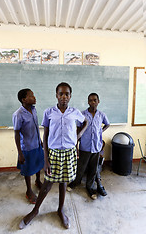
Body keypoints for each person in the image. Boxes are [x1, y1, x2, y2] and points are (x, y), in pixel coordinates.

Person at [18, 82, 88, 230]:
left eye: (67, 94)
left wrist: (78, 135)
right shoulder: (49, 112)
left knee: (63, 182)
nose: (64, 97)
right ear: (56, 95)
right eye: (61, 94)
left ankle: (60, 210)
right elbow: (46, 135)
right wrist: (46, 159)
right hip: (54, 152)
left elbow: (85, 122)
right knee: (48, 183)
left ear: (70, 96)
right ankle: (35, 211)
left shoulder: (74, 112)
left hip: (69, 152)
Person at [67, 93, 110, 199]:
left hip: (96, 147)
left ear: (98, 101)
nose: (93, 102)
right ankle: (75, 182)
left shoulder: (101, 115)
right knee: (81, 167)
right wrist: (76, 146)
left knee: (93, 169)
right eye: (90, 100)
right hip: (85, 146)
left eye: (95, 100)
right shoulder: (82, 114)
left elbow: (107, 124)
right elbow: (77, 130)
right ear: (88, 102)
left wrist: (101, 131)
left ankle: (89, 187)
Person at [12, 88, 44, 204]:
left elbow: (35, 127)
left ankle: (38, 181)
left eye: (33, 95)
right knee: (28, 170)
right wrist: (20, 153)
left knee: (38, 164)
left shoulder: (33, 110)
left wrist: (40, 140)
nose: (34, 97)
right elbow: (16, 134)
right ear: (24, 99)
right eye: (31, 95)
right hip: (27, 147)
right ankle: (29, 191)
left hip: (36, 143)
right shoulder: (18, 114)